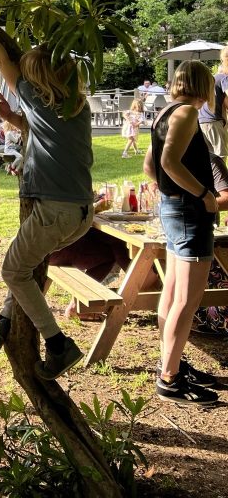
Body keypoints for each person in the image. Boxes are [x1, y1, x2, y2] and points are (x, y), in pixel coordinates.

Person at [0, 0, 94, 380]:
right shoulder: (77, 106)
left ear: (35, 81)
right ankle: (5, 322)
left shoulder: (34, 96)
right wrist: (12, 119)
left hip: (54, 210)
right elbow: (47, 134)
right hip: (80, 212)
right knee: (26, 262)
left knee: (13, 271)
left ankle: (58, 344)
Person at [143, 60, 219, 406]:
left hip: (171, 209)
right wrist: (204, 195)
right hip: (190, 213)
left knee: (172, 293)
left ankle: (170, 363)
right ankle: (169, 379)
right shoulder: (187, 113)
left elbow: (149, 165)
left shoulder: (164, 112)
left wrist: (170, 193)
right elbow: (168, 162)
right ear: (205, 86)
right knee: (187, 301)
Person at [191, 152, 228, 337]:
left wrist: (198, 204)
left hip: (206, 231)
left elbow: (227, 198)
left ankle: (215, 319)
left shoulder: (211, 161)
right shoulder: (169, 158)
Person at [197, 45, 228, 159]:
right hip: (214, 121)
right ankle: (221, 178)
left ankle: (208, 177)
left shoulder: (214, 78)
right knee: (221, 156)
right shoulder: (224, 78)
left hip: (202, 120)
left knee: (210, 157)